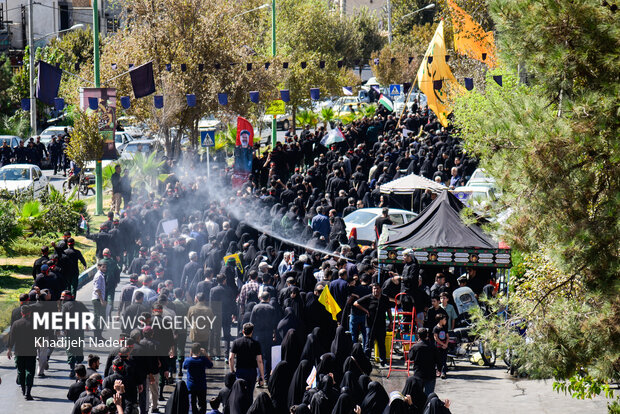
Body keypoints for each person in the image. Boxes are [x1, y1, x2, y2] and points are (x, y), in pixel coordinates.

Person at [354, 283, 392, 366]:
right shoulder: (368, 297)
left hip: (381, 324)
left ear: (380, 289)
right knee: (368, 344)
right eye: (374, 288)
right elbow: (356, 303)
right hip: (370, 325)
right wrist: (365, 310)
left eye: (377, 288)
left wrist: (391, 322)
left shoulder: (385, 298)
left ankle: (383, 361)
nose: (376, 290)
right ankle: (366, 361)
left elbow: (389, 310)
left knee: (381, 343)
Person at [7, 304, 36, 400]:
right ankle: (28, 392)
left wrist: (9, 349)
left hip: (19, 351)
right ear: (30, 313)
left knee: (21, 371)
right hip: (31, 351)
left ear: (21, 313)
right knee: (30, 371)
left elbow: (12, 338)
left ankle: (23, 390)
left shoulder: (16, 324)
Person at [229, 322, 264, 396]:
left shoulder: (236, 342)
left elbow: (231, 358)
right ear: (252, 332)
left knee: (239, 393)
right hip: (251, 371)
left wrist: (232, 371)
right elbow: (260, 361)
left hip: (240, 371)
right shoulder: (256, 344)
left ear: (243, 331)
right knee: (249, 394)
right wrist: (261, 376)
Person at [183, 343, 214, 414]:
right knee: (202, 403)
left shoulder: (188, 360)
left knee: (193, 403)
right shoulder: (203, 359)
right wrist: (206, 354)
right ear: (200, 351)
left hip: (191, 385)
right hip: (201, 385)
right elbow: (211, 365)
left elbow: (184, 366)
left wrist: (190, 355)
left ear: (191, 351)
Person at [408, 327, 439, 396]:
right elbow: (438, 359)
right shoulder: (433, 346)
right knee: (429, 395)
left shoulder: (415, 347)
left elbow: (410, 357)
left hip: (419, 374)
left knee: (418, 395)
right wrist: (439, 369)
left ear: (418, 336)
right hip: (430, 374)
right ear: (427, 335)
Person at [92, 260, 107, 341]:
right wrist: (101, 300)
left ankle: (98, 336)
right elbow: (97, 289)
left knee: (100, 317)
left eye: (105, 267)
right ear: (99, 267)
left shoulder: (101, 275)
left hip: (99, 299)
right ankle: (97, 336)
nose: (104, 268)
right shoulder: (98, 276)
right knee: (99, 317)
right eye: (103, 267)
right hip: (97, 299)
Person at [433, 314, 450, 379]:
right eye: (444, 319)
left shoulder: (445, 327)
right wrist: (442, 344)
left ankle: (443, 372)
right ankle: (438, 371)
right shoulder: (436, 328)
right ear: (440, 320)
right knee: (438, 360)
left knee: (444, 360)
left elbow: (447, 337)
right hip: (438, 347)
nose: (445, 321)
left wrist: (446, 344)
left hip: (444, 346)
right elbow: (436, 338)